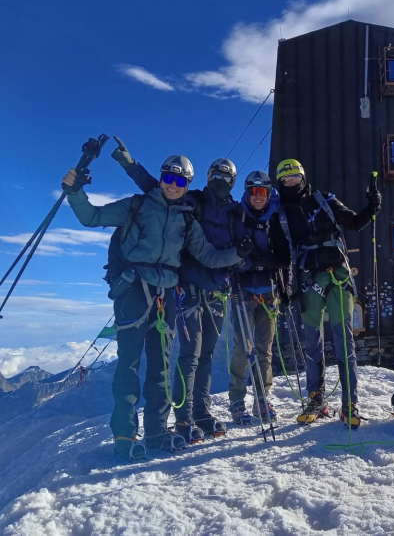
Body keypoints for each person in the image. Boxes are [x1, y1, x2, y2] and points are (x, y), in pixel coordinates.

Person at [61, 156, 246, 460]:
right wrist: (75, 192)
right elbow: (91, 217)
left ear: (187, 185)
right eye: (169, 179)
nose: (173, 186)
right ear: (161, 179)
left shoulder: (187, 219)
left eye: (181, 181)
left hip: (166, 296)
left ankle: (158, 432)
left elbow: (210, 257)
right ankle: (125, 433)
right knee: (129, 363)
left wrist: (238, 253)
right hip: (134, 289)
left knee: (160, 366)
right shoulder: (136, 205)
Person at [111, 142, 244, 443]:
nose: (220, 181)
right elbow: (156, 187)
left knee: (206, 354)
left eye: (226, 177)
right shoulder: (192, 201)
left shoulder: (236, 213)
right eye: (215, 175)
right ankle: (183, 419)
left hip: (216, 289)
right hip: (185, 286)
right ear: (207, 177)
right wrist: (130, 164)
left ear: (232, 182)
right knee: (190, 355)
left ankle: (202, 413)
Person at [268, 159, 380, 429]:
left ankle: (350, 403)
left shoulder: (324, 200)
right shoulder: (280, 216)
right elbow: (282, 258)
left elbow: (354, 222)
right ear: (281, 183)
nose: (291, 182)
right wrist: (283, 289)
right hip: (307, 279)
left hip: (337, 274)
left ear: (303, 178)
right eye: (286, 179)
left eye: (295, 177)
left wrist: (373, 205)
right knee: (313, 343)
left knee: (344, 341)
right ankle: (316, 398)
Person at [227, 171, 292, 425]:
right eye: (253, 192)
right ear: (247, 192)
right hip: (242, 290)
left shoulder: (274, 219)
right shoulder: (236, 216)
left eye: (262, 192)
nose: (257, 197)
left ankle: (262, 398)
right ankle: (236, 399)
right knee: (243, 348)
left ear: (268, 194)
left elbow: (284, 257)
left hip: (267, 290)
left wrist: (260, 259)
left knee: (264, 349)